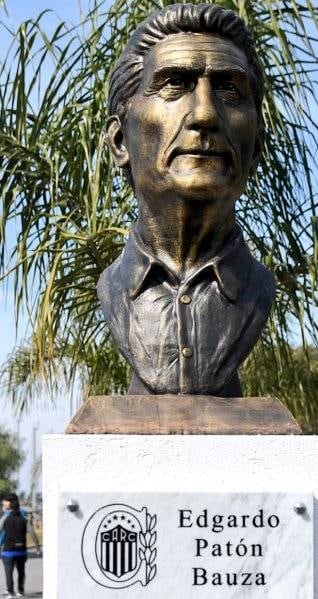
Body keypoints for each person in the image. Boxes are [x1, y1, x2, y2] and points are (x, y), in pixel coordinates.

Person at [97, 5, 275, 396]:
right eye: (174, 84)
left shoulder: (259, 289)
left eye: (230, 89)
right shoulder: (111, 287)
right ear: (119, 141)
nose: (206, 114)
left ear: (257, 145)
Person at [0, 493, 30, 599]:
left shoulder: (7, 516)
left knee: (9, 570)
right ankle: (20, 590)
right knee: (21, 570)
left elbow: (0, 532)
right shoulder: (24, 515)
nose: (3, 503)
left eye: (5, 501)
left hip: (8, 547)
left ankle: (10, 590)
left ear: (11, 502)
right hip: (21, 547)